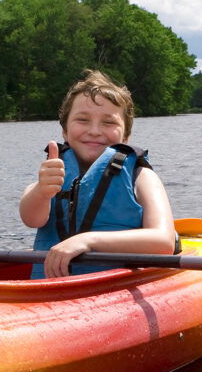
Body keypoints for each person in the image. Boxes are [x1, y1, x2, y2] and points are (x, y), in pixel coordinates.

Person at [20, 70, 177, 278]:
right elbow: (32, 219)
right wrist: (42, 191)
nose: (94, 130)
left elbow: (164, 241)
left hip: (115, 287)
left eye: (109, 123)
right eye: (82, 120)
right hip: (49, 290)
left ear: (126, 135)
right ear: (65, 131)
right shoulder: (52, 173)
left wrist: (87, 240)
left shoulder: (141, 176)